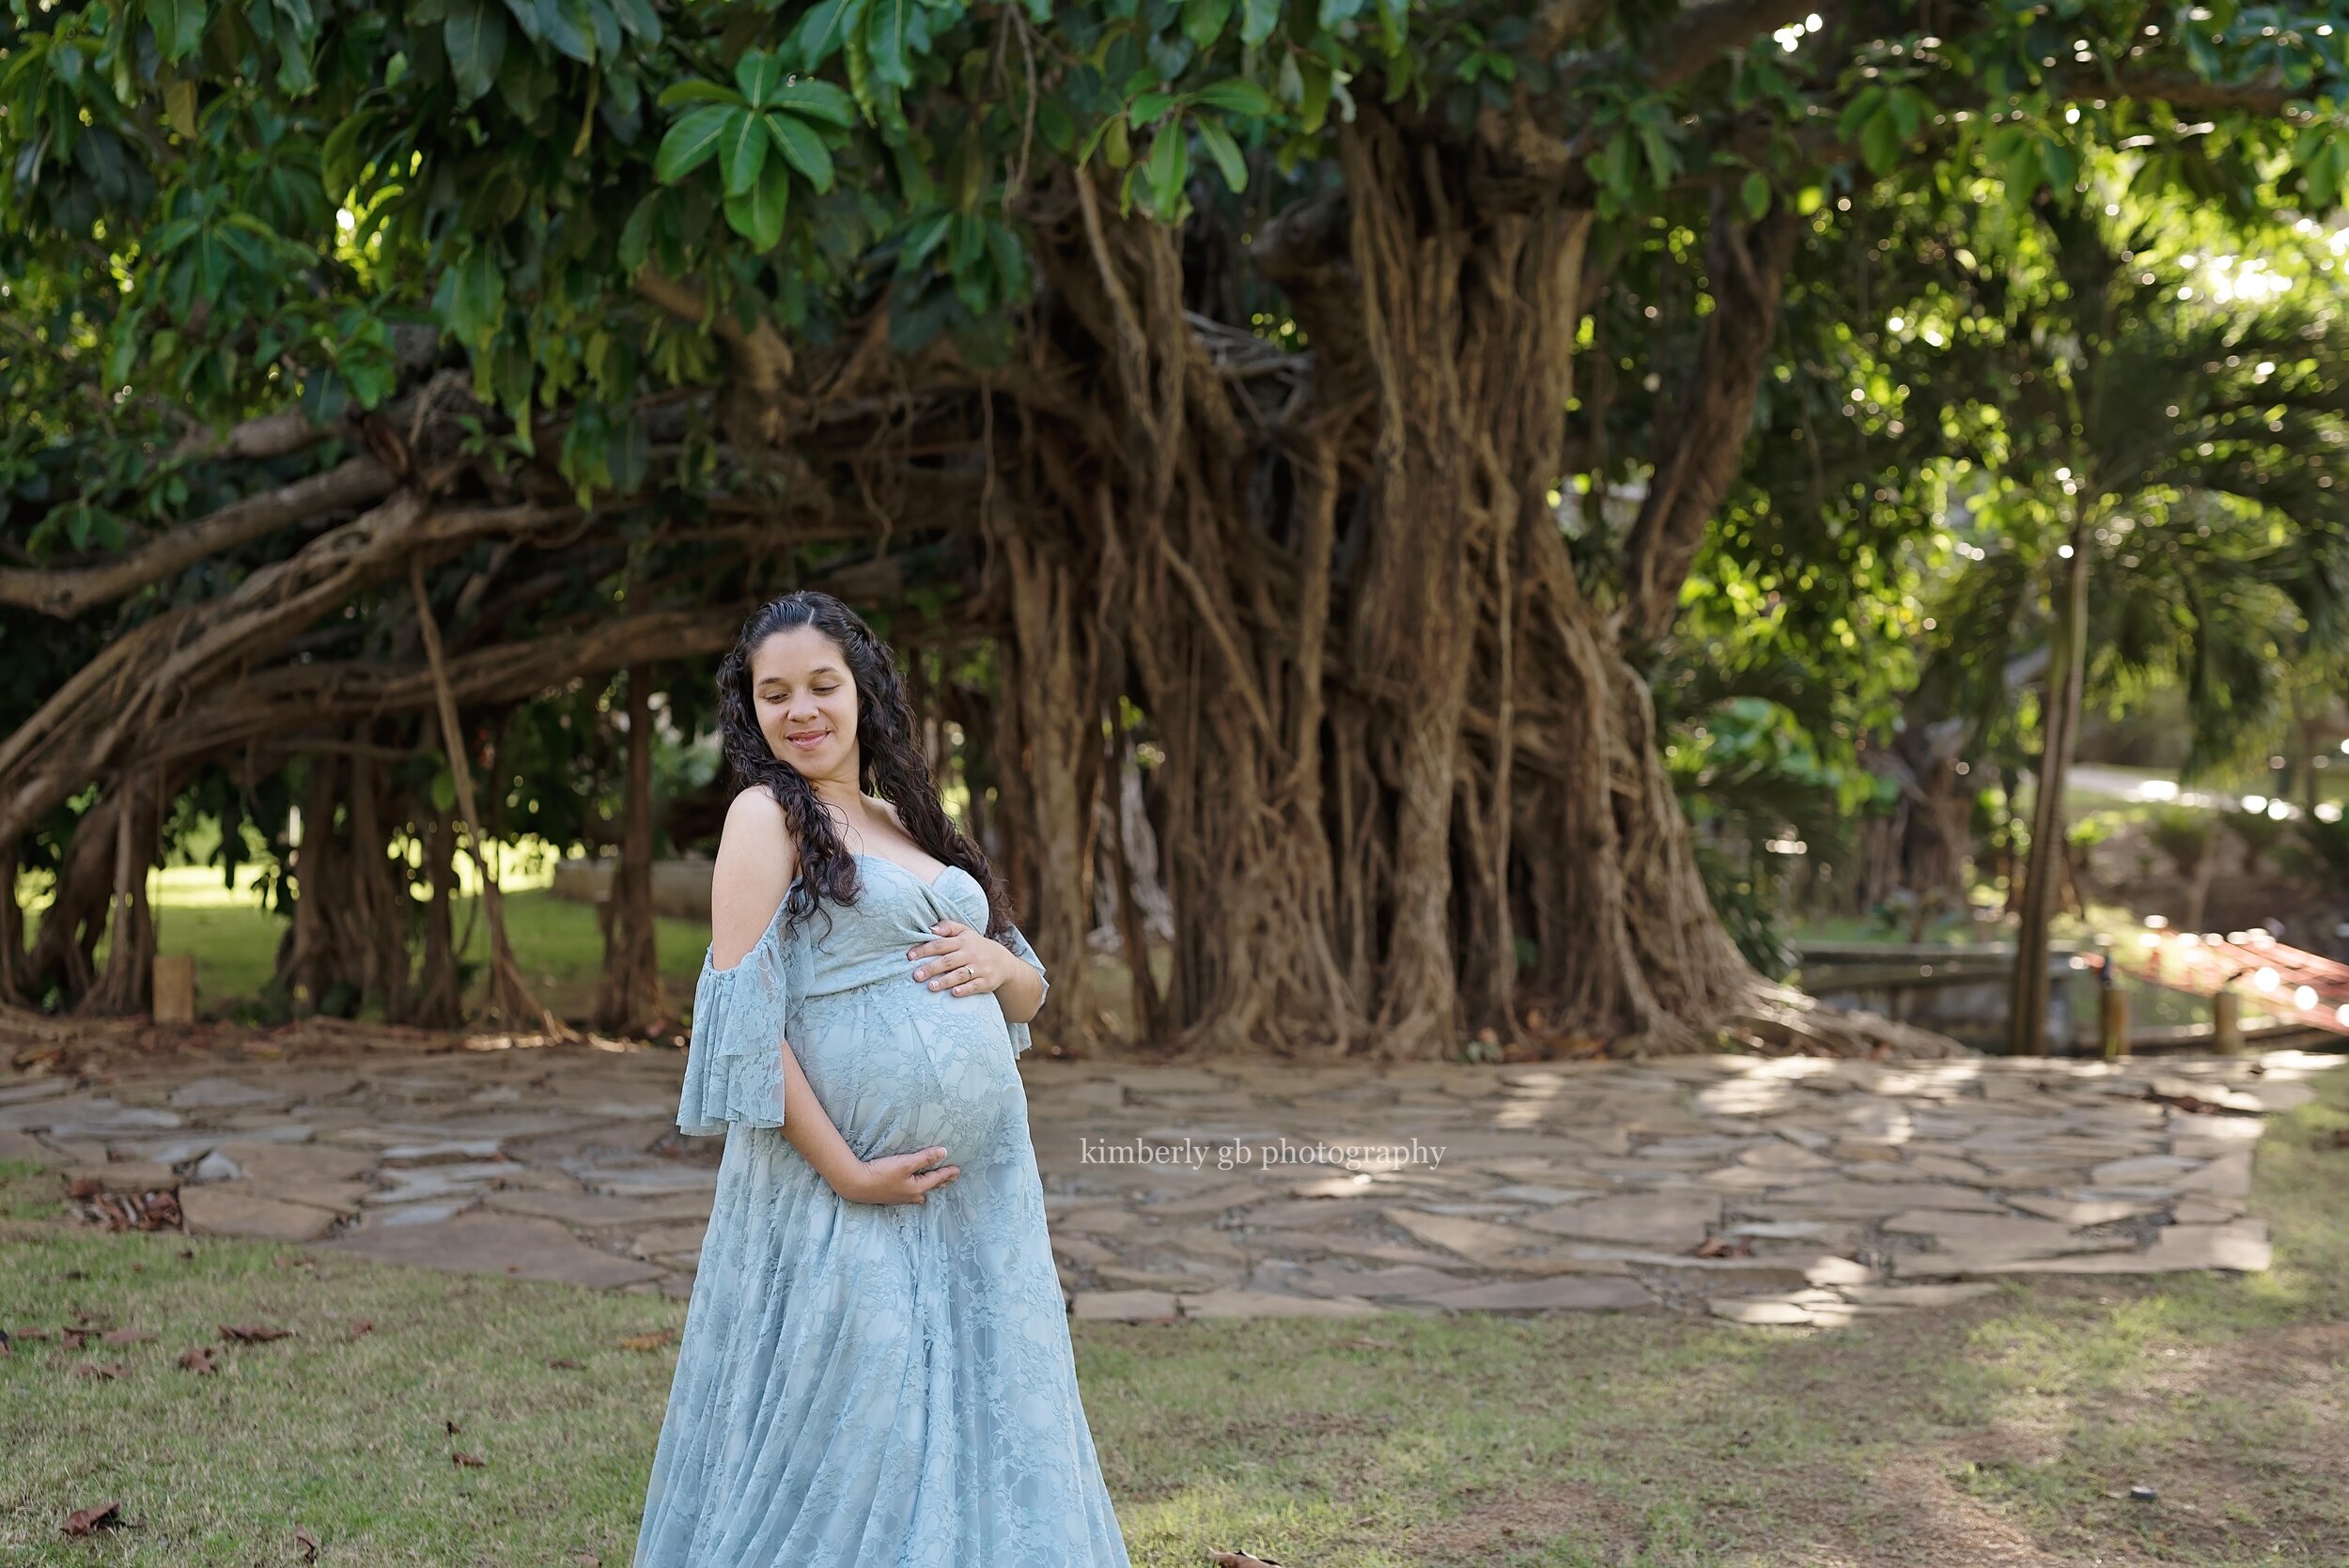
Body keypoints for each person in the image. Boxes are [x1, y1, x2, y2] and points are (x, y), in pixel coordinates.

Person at [631, 592, 1132, 1567]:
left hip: (976, 1192)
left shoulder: (907, 816)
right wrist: (849, 1173)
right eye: (774, 694)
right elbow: (743, 1029)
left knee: (978, 1406)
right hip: (843, 1185)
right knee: (865, 1415)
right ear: (752, 712)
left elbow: (1024, 991)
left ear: (864, 690)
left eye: (822, 684)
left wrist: (1003, 970)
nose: (801, 710)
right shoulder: (765, 815)